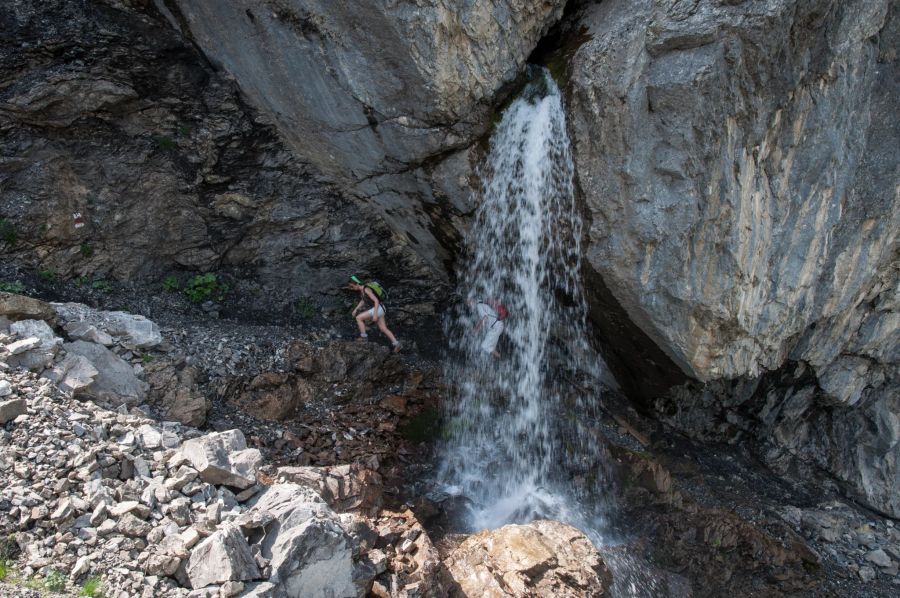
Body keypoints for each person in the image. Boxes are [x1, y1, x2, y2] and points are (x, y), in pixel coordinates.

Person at [349, 275, 400, 352]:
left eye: (352, 286)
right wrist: (355, 309)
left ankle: (364, 338)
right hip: (381, 308)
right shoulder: (362, 290)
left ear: (357, 284)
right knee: (383, 328)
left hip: (378, 308)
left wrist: (375, 314)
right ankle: (397, 344)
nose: (352, 289)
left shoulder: (366, 289)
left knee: (358, 318)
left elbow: (376, 301)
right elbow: (363, 300)